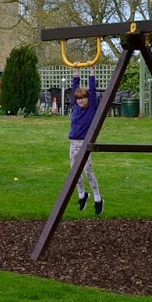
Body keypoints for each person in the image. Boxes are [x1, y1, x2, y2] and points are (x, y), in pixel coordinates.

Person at [69, 75, 103, 215]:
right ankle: (82, 195)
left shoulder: (91, 108)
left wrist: (91, 72)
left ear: (87, 98)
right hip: (73, 143)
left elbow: (93, 91)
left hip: (85, 143)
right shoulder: (75, 107)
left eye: (83, 98)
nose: (80, 100)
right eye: (78, 98)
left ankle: (97, 198)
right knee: (75, 173)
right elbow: (74, 89)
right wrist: (76, 73)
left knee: (88, 171)